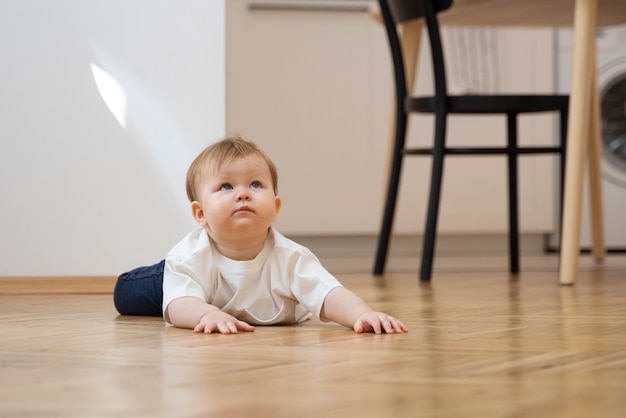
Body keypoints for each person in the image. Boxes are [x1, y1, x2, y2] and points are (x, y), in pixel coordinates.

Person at [114, 137, 408, 335]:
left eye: (255, 184)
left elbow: (330, 294)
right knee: (127, 296)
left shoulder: (292, 259)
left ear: (276, 207)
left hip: (217, 292)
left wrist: (363, 314)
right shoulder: (188, 258)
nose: (243, 193)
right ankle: (153, 280)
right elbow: (180, 305)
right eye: (226, 187)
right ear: (201, 214)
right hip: (179, 280)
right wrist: (205, 315)